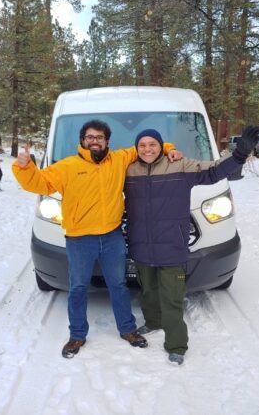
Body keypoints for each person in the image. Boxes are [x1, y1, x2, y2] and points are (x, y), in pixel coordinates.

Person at [12, 119, 182, 358]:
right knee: (79, 287)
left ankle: (128, 329)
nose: (94, 141)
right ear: (82, 140)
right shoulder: (67, 166)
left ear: (106, 141)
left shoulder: (119, 159)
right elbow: (39, 183)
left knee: (118, 285)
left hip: (112, 237)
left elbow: (147, 146)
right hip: (80, 240)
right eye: (90, 137)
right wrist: (24, 167)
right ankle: (77, 335)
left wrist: (169, 148)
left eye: (99, 137)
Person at [124, 126, 259, 366]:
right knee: (148, 290)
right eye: (142, 145)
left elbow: (214, 171)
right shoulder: (128, 170)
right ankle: (153, 321)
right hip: (142, 246)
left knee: (173, 298)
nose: (147, 149)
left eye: (153, 144)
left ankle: (176, 344)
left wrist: (240, 154)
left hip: (172, 247)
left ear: (161, 146)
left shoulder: (180, 165)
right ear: (136, 149)